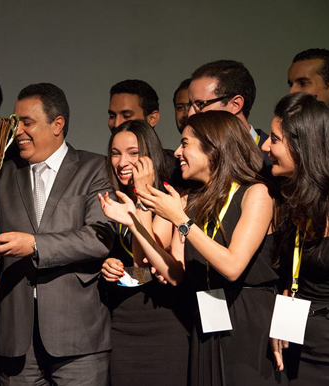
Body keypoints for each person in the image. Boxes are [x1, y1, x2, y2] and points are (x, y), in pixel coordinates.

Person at [100, 110, 285, 385]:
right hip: (206, 316)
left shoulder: (255, 193)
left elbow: (233, 267)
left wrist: (180, 220)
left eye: (185, 143)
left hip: (247, 315)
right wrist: (135, 220)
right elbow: (174, 273)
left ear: (212, 147)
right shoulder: (191, 201)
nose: (176, 152)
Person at [0, 83, 115, 385]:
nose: (17, 131)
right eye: (15, 123)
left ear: (57, 124)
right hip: (15, 337)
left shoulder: (95, 168)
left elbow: (98, 238)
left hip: (77, 338)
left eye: (27, 123)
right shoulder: (3, 172)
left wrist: (34, 244)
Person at [101, 119, 189, 385]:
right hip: (123, 320)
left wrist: (141, 199)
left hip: (162, 319)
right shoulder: (115, 199)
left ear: (149, 156)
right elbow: (137, 270)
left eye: (133, 153)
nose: (122, 162)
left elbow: (146, 260)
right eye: (115, 153)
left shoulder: (165, 198)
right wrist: (111, 268)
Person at [263, 93, 329, 383]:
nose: (266, 146)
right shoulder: (291, 200)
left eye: (275, 139)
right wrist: (283, 319)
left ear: (303, 146)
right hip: (298, 349)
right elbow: (294, 280)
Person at [188, 60, 268, 148]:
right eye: (190, 105)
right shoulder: (190, 157)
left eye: (200, 104)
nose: (190, 114)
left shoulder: (273, 157)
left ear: (235, 104)